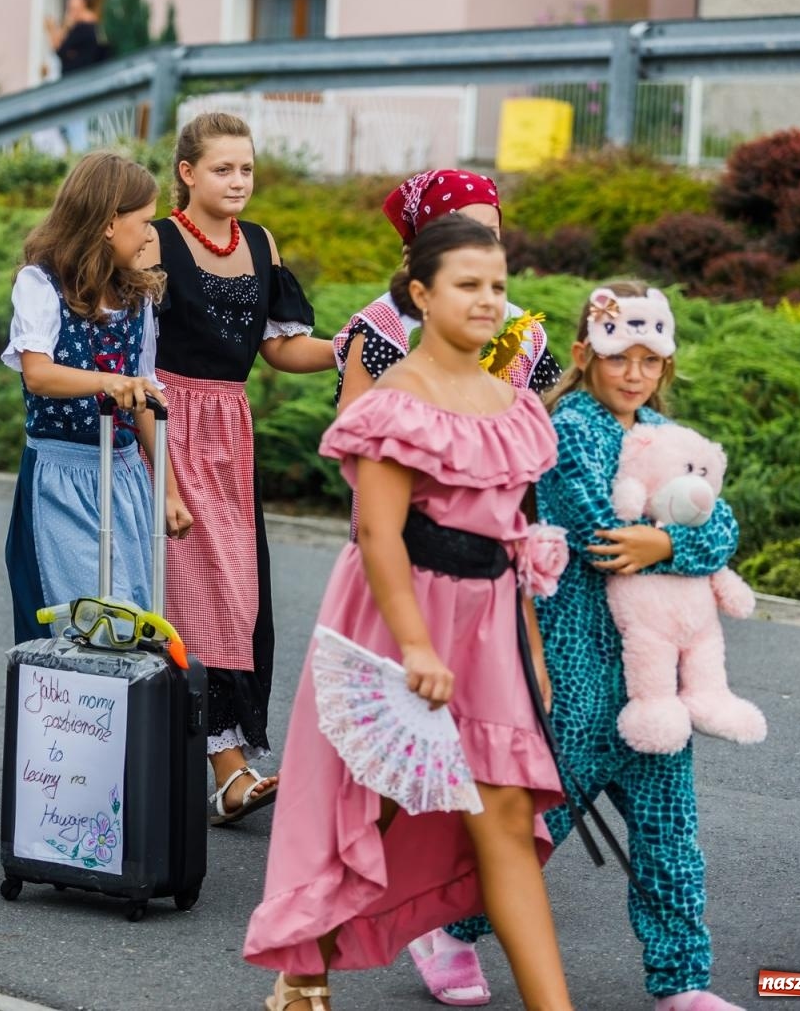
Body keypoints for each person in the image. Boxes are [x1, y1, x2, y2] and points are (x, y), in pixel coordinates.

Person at [243, 215, 573, 1011]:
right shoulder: (396, 401)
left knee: (501, 811)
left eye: (497, 285)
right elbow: (379, 535)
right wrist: (418, 647)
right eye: (468, 285)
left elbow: (516, 544)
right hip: (395, 620)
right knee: (375, 801)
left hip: (490, 627)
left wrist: (531, 656)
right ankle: (306, 969)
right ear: (421, 295)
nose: (488, 300)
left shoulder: (514, 406)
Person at [427, 282, 747, 1011]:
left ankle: (682, 982)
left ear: (666, 365)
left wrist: (667, 538)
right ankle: (450, 930)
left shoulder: (666, 436)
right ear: (583, 355)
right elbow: (605, 537)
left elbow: (722, 523)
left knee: (671, 835)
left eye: (650, 360)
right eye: (619, 358)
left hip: (654, 683)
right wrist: (679, 544)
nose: (634, 374)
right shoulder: (567, 429)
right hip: (579, 668)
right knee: (539, 822)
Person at [139, 111, 336, 826]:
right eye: (223, 169)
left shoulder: (260, 242)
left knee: (239, 597)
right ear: (187, 173)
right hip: (161, 421)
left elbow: (283, 349)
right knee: (188, 596)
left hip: (228, 428)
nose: (238, 182)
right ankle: (221, 766)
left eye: (247, 169)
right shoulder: (154, 240)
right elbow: (125, 342)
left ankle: (217, 757)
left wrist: (352, 349)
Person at [4, 151, 167, 641]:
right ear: (109, 223)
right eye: (144, 222)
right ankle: (67, 716)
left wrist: (170, 492)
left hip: (125, 476)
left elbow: (147, 396)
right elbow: (39, 373)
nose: (150, 234)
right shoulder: (41, 284)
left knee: (132, 621)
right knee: (85, 618)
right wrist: (107, 382)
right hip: (62, 474)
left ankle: (115, 719)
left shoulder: (137, 298)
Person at [335, 168, 562, 414]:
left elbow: (547, 419)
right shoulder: (383, 326)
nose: (479, 243)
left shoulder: (524, 329)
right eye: (464, 231)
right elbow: (355, 425)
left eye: (490, 232)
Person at [44, 0, 109, 151]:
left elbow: (60, 50)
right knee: (74, 127)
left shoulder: (84, 27)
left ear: (83, 2)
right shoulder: (91, 27)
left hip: (74, 86)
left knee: (71, 129)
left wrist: (52, 29)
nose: (69, 2)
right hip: (80, 85)